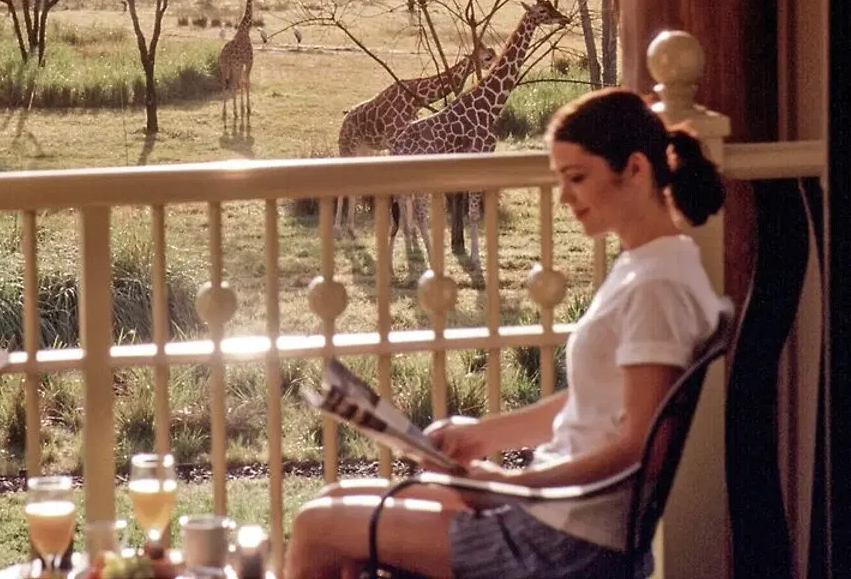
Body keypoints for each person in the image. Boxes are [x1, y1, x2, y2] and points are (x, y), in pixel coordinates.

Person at [284, 88, 727, 579]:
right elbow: (600, 400)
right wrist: (482, 436)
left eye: (577, 177)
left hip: (564, 544)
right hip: (553, 519)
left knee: (316, 525)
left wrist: (511, 485)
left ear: (637, 171)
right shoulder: (651, 266)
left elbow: (640, 445)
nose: (564, 197)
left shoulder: (657, 287)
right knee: (337, 499)